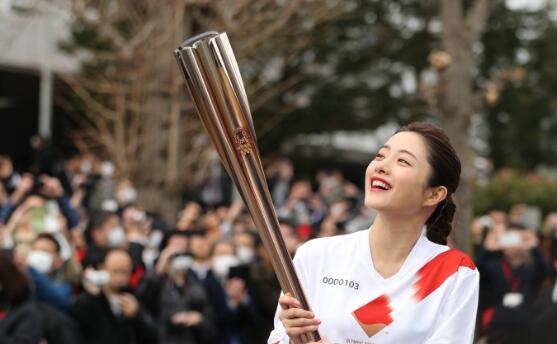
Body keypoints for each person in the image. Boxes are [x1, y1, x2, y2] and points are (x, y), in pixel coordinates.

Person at [268, 122, 480, 343]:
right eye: (380, 156)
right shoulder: (316, 255)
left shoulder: (453, 273)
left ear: (434, 195)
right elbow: (277, 338)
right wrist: (293, 339)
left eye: (403, 161)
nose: (381, 166)